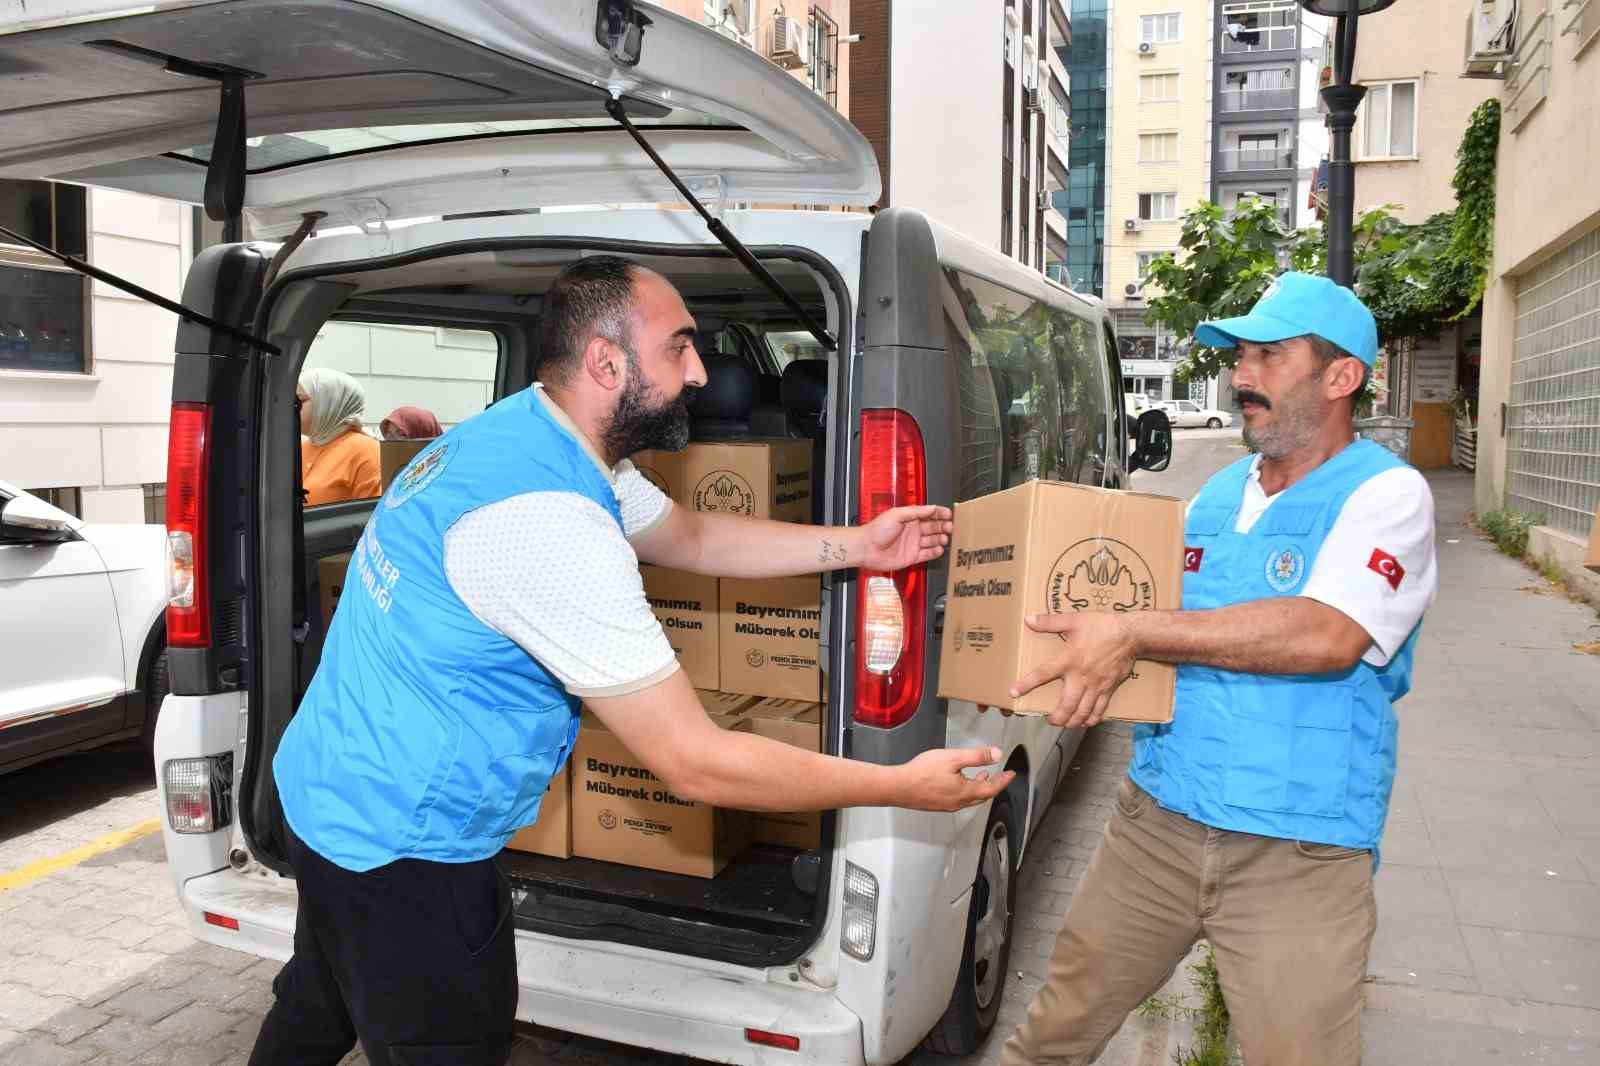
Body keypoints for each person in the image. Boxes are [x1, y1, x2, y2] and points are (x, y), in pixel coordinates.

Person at [250, 255, 1015, 1066]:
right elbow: (696, 763)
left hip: (326, 787)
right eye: (680, 347)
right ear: (605, 363)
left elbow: (690, 536)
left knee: (321, 996)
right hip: (406, 846)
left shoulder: (534, 431)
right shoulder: (550, 521)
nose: (698, 373)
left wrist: (857, 546)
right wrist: (900, 786)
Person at [997, 273, 1438, 1066]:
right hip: (1156, 826)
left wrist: (1129, 633)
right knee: (1049, 1039)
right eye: (1240, 357)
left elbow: (1329, 633)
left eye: (1270, 356)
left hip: (1297, 855)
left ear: (1342, 378)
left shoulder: (1388, 496)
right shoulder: (1216, 495)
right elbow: (1151, 628)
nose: (1241, 377)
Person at [298, 367, 381, 504]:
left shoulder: (366, 451)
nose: (293, 406)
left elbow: (370, 516)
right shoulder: (303, 446)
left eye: (301, 400)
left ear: (328, 403)